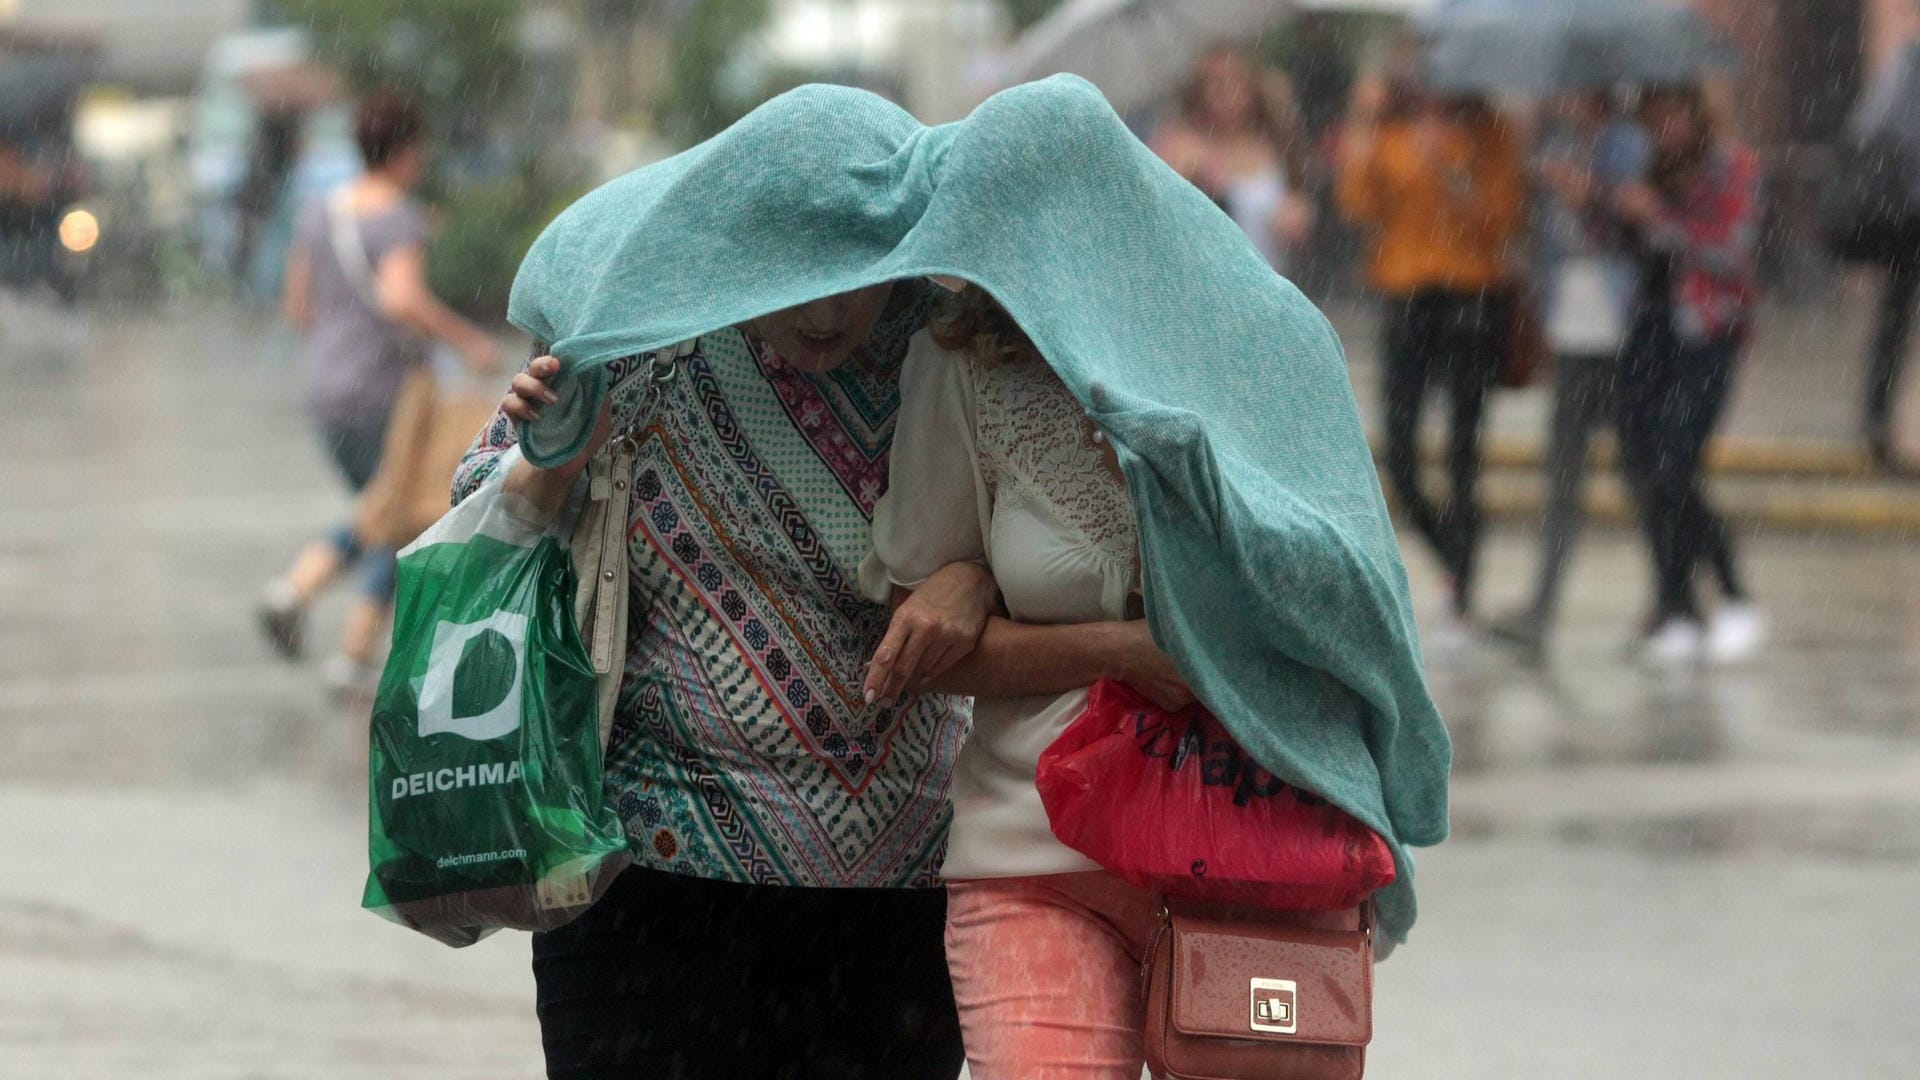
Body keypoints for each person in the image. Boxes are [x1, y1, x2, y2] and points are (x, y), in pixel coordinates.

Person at [256, 91, 499, 692]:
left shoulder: (320, 212)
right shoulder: (397, 217)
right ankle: (313, 609)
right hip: (382, 391)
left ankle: (336, 632)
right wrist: (467, 341)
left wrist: (341, 339)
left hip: (325, 385)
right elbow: (399, 298)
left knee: (389, 511)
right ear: (407, 151)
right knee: (401, 511)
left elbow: (296, 306)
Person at [1338, 78, 1525, 622]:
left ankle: (1464, 594)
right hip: (1406, 297)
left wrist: (1450, 167)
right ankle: (1455, 562)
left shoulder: (1491, 134)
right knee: (1399, 455)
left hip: (1470, 299)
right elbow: (1357, 204)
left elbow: (1501, 221)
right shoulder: (1391, 132)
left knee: (1464, 453)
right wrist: (1367, 131)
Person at [1489, 92, 1649, 661]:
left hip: (1624, 321)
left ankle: (1677, 597)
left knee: (1643, 468)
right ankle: (1542, 605)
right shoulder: (1554, 143)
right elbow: (1540, 237)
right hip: (1573, 320)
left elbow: (1641, 228)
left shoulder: (1629, 144)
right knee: (1563, 470)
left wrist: (1590, 195)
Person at [1612, 84, 1767, 665]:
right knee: (1644, 467)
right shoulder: (1648, 170)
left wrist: (1664, 217)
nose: (1664, 127)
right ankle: (1675, 604)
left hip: (1708, 332)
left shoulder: (1732, 169)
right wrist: (1605, 206)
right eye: (1654, 116)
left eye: (1673, 114)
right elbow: (1626, 250)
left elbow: (1731, 251)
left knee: (1677, 463)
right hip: (1649, 331)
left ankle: (1733, 593)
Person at [1151, 45, 1315, 274]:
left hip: (1275, 281)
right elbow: (1158, 212)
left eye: (1234, 79)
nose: (1225, 90)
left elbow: (1301, 201)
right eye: (1214, 81)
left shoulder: (1275, 142)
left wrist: (1298, 215)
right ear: (1198, 90)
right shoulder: (1182, 144)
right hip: (1213, 283)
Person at [1848, 34, 1920, 469]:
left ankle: (1876, 419)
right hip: (1910, 218)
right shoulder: (1908, 66)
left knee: (1893, 317)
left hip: (1909, 215)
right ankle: (1875, 421)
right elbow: (1876, 133)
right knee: (1894, 318)